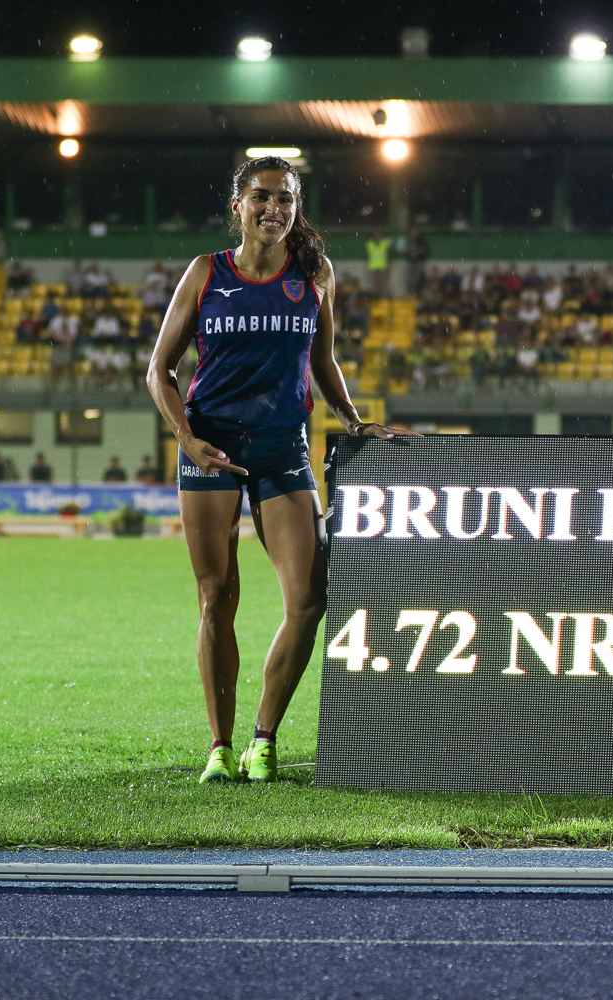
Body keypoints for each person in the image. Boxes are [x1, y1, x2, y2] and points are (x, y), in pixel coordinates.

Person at [146, 155, 412, 785]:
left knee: (310, 598)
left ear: (297, 207)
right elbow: (159, 369)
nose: (274, 208)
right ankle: (220, 746)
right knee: (217, 599)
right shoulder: (206, 272)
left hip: (281, 445)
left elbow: (323, 360)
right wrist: (186, 438)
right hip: (212, 446)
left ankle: (263, 741)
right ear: (237, 205)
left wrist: (353, 421)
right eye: (262, 197)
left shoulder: (314, 273)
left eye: (286, 198)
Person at [365, 229, 390, 299]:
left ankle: (382, 297)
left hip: (382, 266)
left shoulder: (384, 243)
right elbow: (369, 255)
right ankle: (376, 297)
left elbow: (386, 254)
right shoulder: (370, 244)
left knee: (382, 283)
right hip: (373, 266)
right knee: (375, 283)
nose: (377, 236)